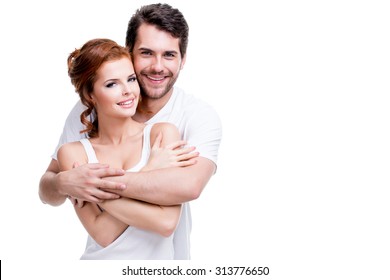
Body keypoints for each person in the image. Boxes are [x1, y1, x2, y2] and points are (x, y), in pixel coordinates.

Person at [39, 3, 222, 259]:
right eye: (146, 53)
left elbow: (186, 192)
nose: (158, 66)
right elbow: (49, 188)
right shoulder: (85, 113)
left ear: (183, 60)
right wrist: (61, 182)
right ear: (129, 53)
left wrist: (94, 187)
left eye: (169, 55)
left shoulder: (191, 118)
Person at [59, 38, 197, 259]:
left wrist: (98, 193)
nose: (128, 91)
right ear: (90, 95)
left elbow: (166, 222)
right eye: (112, 84)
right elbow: (102, 233)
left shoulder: (161, 135)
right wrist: (149, 170)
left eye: (131, 79)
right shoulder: (73, 153)